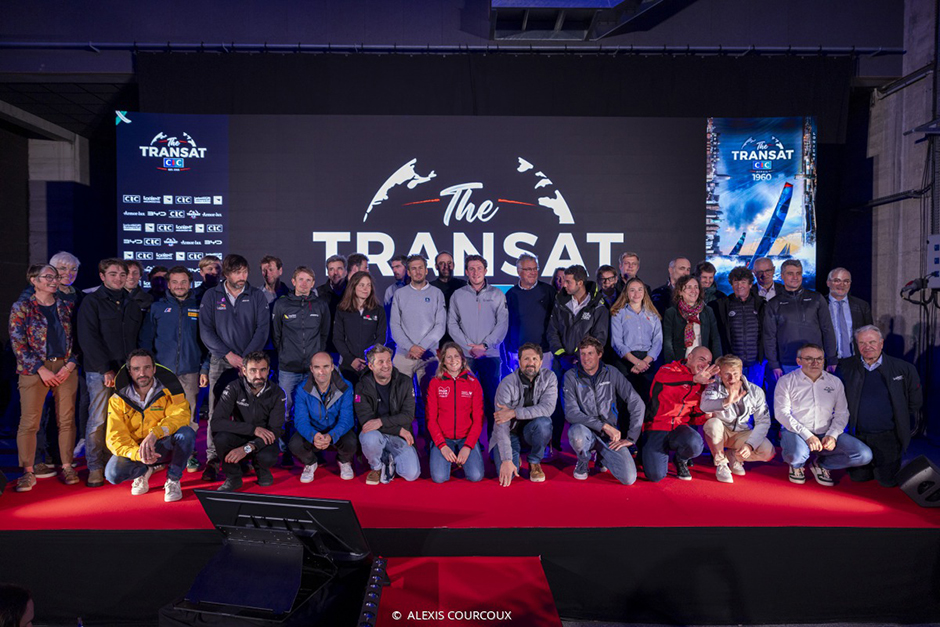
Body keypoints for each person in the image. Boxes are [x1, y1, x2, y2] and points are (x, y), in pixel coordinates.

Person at [198, 253, 271, 481]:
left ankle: (245, 457)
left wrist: (246, 360)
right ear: (226, 274)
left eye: (245, 272)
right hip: (221, 361)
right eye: (237, 272)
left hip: (251, 364)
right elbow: (206, 331)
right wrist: (229, 355)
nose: (243, 277)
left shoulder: (257, 295)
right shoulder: (212, 296)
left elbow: (262, 329)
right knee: (216, 411)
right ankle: (213, 458)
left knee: (247, 412)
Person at [9, 264, 80, 491]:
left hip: (65, 368)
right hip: (34, 369)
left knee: (66, 420)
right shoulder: (22, 307)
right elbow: (18, 343)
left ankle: (67, 465)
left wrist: (69, 365)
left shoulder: (67, 306)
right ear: (34, 280)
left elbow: (79, 339)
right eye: (48, 277)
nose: (54, 280)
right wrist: (41, 369)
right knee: (30, 422)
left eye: (55, 277)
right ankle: (28, 471)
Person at [77, 258, 143, 488]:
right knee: (98, 420)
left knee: (124, 421)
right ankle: (95, 466)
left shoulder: (131, 303)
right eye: (113, 274)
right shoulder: (91, 302)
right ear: (102, 276)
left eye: (122, 274)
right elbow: (88, 338)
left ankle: (115, 464)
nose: (118, 278)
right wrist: (105, 368)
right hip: (100, 372)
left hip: (129, 372)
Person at [138, 266, 207, 473]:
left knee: (189, 416)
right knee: (159, 416)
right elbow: (146, 341)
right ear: (168, 284)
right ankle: (161, 455)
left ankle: (189, 455)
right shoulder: (157, 308)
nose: (179, 286)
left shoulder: (199, 306)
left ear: (190, 283)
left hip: (190, 371)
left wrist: (204, 368)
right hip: (161, 373)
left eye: (184, 282)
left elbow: (205, 342)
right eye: (175, 282)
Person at [775, 343, 872, 486]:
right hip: (796, 432)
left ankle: (822, 464)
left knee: (863, 455)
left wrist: (832, 435)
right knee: (797, 454)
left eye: (819, 359)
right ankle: (797, 465)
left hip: (825, 432)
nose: (815, 363)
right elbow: (782, 414)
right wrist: (808, 436)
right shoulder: (786, 381)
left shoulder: (834, 382)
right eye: (809, 359)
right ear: (798, 361)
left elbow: (842, 413)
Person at [104, 349, 195, 502]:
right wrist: (138, 454)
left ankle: (173, 479)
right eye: (136, 369)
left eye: (147, 368)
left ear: (154, 369)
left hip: (162, 444)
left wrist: (155, 434)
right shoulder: (117, 399)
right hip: (137, 449)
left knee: (186, 433)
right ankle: (143, 472)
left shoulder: (171, 390)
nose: (142, 373)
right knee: (113, 474)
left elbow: (180, 416)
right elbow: (115, 437)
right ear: (130, 372)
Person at [838, 326, 923, 487]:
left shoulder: (903, 368)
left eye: (872, 342)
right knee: (858, 479)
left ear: (881, 343)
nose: (867, 346)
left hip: (888, 437)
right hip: (858, 436)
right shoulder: (846, 367)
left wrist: (900, 417)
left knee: (887, 482)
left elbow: (915, 401)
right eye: (862, 343)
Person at [564, 336, 645, 485]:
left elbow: (636, 402)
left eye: (590, 353)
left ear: (599, 354)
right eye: (582, 354)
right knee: (578, 436)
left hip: (609, 436)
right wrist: (603, 426)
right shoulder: (570, 376)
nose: (586, 358)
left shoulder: (612, 372)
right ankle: (583, 460)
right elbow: (571, 413)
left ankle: (601, 456)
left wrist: (631, 438)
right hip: (585, 430)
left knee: (629, 478)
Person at [546, 264, 609, 450]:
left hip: (588, 364)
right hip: (561, 362)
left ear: (580, 283)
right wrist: (562, 356)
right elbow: (552, 332)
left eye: (568, 281)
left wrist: (581, 357)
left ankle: (596, 447)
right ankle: (552, 444)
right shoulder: (560, 301)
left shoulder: (598, 304)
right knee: (555, 402)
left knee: (591, 405)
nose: (563, 284)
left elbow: (600, 336)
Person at [447, 255, 508, 430]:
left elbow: (502, 323)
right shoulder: (458, 295)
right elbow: (452, 324)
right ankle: (469, 443)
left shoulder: (497, 294)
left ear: (486, 271)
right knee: (465, 402)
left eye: (479, 268)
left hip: (490, 355)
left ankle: (493, 443)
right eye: (471, 269)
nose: (475, 272)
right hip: (465, 357)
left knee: (492, 400)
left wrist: (485, 346)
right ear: (466, 272)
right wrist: (468, 347)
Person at [211, 351, 286, 491]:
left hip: (265, 439)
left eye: (263, 370)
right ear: (244, 371)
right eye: (253, 370)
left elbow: (276, 430)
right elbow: (216, 422)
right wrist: (253, 429)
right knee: (220, 438)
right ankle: (233, 477)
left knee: (268, 456)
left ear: (268, 370)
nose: (258, 376)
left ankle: (261, 470)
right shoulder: (233, 387)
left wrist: (248, 447)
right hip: (241, 433)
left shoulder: (278, 393)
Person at [642, 346, 719, 482]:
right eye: (701, 359)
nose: (704, 365)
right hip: (657, 426)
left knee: (695, 444)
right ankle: (646, 450)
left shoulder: (703, 384)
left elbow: (694, 417)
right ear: (689, 357)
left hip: (678, 428)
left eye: (708, 363)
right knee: (655, 476)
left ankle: (680, 460)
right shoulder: (668, 369)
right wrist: (693, 379)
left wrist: (707, 416)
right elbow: (665, 378)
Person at [699, 355, 775, 483]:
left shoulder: (755, 391)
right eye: (727, 374)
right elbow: (704, 406)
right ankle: (721, 463)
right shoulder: (713, 387)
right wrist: (726, 401)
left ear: (741, 372)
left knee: (768, 452)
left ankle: (734, 457)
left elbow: (763, 421)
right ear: (719, 374)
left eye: (735, 373)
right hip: (720, 432)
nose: (732, 378)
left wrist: (750, 445)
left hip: (742, 433)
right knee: (712, 423)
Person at [355, 344, 421, 484]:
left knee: (411, 474)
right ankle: (377, 466)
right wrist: (398, 429)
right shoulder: (362, 386)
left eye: (388, 361)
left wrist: (381, 422)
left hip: (399, 436)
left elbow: (408, 416)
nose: (386, 365)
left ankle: (388, 457)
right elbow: (366, 422)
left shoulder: (405, 382)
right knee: (369, 437)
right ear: (371, 366)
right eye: (381, 362)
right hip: (378, 434)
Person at [491, 343, 556, 485]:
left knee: (544, 423)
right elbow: (501, 422)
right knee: (510, 475)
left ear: (540, 361)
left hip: (532, 431)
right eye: (526, 359)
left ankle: (534, 461)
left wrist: (514, 412)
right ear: (519, 361)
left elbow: (547, 409)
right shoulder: (507, 384)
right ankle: (515, 452)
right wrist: (507, 460)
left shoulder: (549, 378)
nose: (530, 363)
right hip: (510, 432)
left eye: (534, 359)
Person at [764, 259, 837, 379]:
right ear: (782, 276)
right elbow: (769, 336)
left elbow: (827, 329)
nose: (795, 277)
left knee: (816, 397)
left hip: (815, 362)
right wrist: (774, 364)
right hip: (787, 364)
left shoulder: (816, 299)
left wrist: (832, 358)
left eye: (798, 273)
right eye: (790, 273)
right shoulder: (774, 304)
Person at [271, 266, 331, 415]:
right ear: (293, 281)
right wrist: (285, 353)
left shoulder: (320, 305)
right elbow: (276, 334)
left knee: (312, 407)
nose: (304, 284)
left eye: (308, 280)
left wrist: (316, 356)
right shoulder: (281, 304)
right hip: (288, 368)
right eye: (301, 279)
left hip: (313, 369)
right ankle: (283, 437)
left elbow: (324, 334)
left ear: (313, 283)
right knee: (284, 407)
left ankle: (308, 437)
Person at [289, 352, 357, 482]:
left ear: (332, 367)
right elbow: (300, 420)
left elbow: (346, 419)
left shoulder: (346, 387)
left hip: (336, 429)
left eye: (326, 366)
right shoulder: (302, 388)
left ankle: (344, 461)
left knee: (351, 442)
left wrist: (331, 435)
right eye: (317, 367)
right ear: (311, 369)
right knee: (295, 444)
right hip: (314, 430)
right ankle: (310, 463)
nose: (321, 371)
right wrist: (314, 435)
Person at [426, 343, 485, 483]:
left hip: (466, 437)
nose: (453, 360)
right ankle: (438, 450)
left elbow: (478, 420)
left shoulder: (473, 383)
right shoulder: (435, 383)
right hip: (444, 438)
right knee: (439, 478)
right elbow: (431, 419)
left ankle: (461, 455)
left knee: (476, 476)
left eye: (456, 356)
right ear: (443, 361)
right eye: (448, 357)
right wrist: (441, 445)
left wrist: (468, 446)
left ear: (463, 359)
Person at [389, 255, 446, 397]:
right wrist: (410, 347)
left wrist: (421, 348)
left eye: (421, 268)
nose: (418, 271)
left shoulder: (436, 293)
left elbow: (440, 325)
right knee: (400, 397)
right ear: (408, 272)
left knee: (430, 398)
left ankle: (426, 421)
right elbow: (394, 325)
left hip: (428, 355)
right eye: (413, 269)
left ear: (426, 270)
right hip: (403, 355)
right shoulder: (399, 294)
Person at [609, 277, 662, 405]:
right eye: (632, 290)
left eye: (640, 290)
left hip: (647, 362)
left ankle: (644, 425)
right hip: (626, 360)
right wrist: (636, 362)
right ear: (626, 293)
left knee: (647, 399)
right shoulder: (618, 313)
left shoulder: (653, 315)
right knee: (624, 400)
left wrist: (644, 362)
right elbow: (616, 342)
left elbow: (658, 341)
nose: (636, 294)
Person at [712, 266, 764, 386]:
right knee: (734, 396)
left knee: (755, 395)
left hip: (756, 363)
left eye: (743, 282)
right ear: (731, 284)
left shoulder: (761, 304)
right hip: (732, 365)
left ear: (750, 285)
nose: (739, 285)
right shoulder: (724, 305)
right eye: (736, 282)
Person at [505, 253, 555, 373]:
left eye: (535, 268)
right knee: (519, 389)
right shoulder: (511, 295)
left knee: (543, 387)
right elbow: (507, 325)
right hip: (518, 351)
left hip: (544, 351)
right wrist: (510, 350)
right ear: (518, 271)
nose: (533, 272)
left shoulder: (548, 291)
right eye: (528, 269)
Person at [334, 271, 387, 387]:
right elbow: (338, 339)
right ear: (353, 287)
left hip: (371, 365)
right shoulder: (342, 310)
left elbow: (381, 337)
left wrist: (367, 358)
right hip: (348, 365)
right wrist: (351, 360)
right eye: (361, 285)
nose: (365, 288)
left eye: (368, 285)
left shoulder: (378, 310)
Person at [662, 275, 722, 364]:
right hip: (680, 362)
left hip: (703, 363)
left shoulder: (707, 311)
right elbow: (668, 342)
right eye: (689, 287)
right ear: (680, 292)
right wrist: (671, 363)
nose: (693, 291)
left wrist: (717, 361)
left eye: (696, 287)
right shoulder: (671, 312)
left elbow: (715, 338)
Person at [826, 267, 873, 359]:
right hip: (827, 361)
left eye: (846, 281)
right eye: (837, 280)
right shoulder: (819, 305)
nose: (842, 284)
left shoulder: (862, 306)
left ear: (850, 284)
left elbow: (869, 334)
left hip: (855, 360)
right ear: (828, 283)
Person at [430, 250, 466, 345]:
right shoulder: (429, 288)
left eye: (449, 263)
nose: (446, 266)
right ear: (436, 266)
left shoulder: (464, 286)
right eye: (441, 263)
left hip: (460, 337)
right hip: (437, 339)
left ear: (453, 265)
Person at [318, 254, 348, 358]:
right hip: (326, 348)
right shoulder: (318, 293)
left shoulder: (354, 292)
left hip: (349, 349)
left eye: (339, 269)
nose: (335, 273)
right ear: (327, 273)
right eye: (331, 269)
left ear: (345, 271)